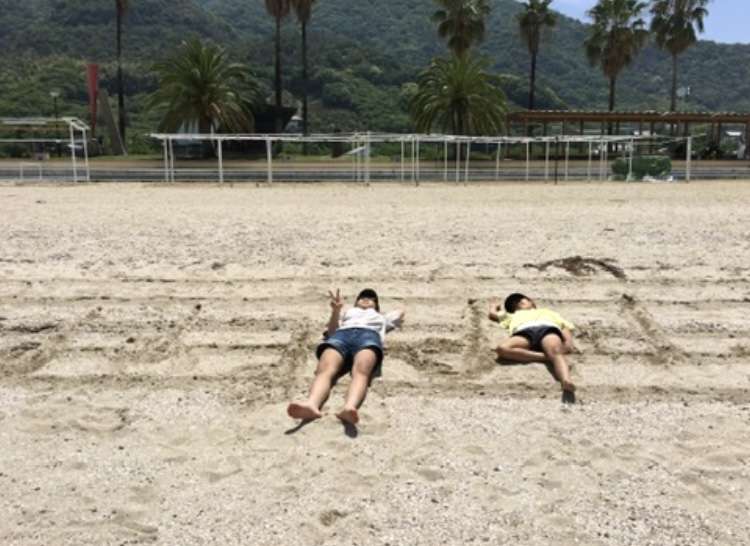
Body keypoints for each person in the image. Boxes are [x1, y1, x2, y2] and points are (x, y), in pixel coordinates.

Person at [287, 288, 404, 425]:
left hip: (368, 336)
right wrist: (336, 310)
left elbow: (400, 312)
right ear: (355, 303)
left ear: (377, 305)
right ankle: (311, 404)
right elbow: (332, 331)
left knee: (361, 373)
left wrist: (382, 312)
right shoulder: (347, 313)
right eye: (362, 297)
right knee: (324, 371)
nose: (366, 299)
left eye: (372, 299)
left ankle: (349, 407)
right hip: (341, 336)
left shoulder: (381, 317)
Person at [490, 292, 577, 400]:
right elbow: (493, 314)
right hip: (524, 332)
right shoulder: (512, 316)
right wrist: (493, 306)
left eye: (521, 300)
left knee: (554, 349)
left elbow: (563, 326)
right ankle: (546, 357)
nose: (518, 302)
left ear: (532, 302)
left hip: (547, 329)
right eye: (514, 304)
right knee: (502, 349)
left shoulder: (548, 312)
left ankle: (566, 380)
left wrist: (568, 341)